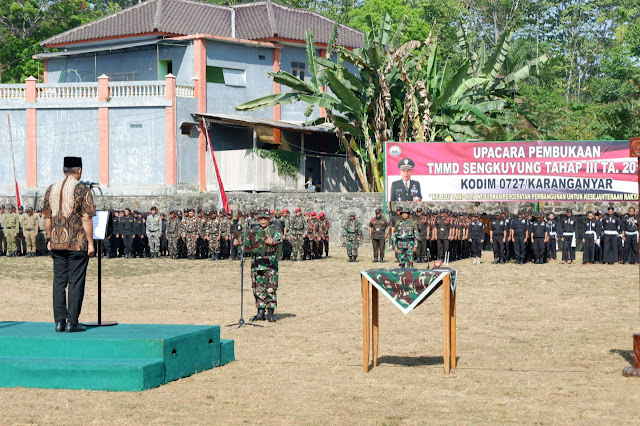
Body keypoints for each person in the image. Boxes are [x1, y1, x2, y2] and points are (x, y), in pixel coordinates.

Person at [43, 156, 96, 333]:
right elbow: (86, 218)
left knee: (59, 282)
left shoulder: (51, 189)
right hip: (77, 242)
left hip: (57, 243)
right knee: (75, 282)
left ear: (63, 170)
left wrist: (50, 238)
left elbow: (47, 218)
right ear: (79, 171)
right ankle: (72, 322)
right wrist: (90, 242)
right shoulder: (82, 189)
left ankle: (59, 322)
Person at [235, 208, 283, 323]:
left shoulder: (274, 229)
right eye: (261, 219)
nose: (262, 221)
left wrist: (274, 241)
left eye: (265, 219)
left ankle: (270, 312)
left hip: (269, 262)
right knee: (258, 287)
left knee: (270, 287)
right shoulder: (253, 230)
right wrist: (238, 241)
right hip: (256, 262)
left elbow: (279, 238)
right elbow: (244, 240)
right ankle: (260, 312)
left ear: (269, 219)